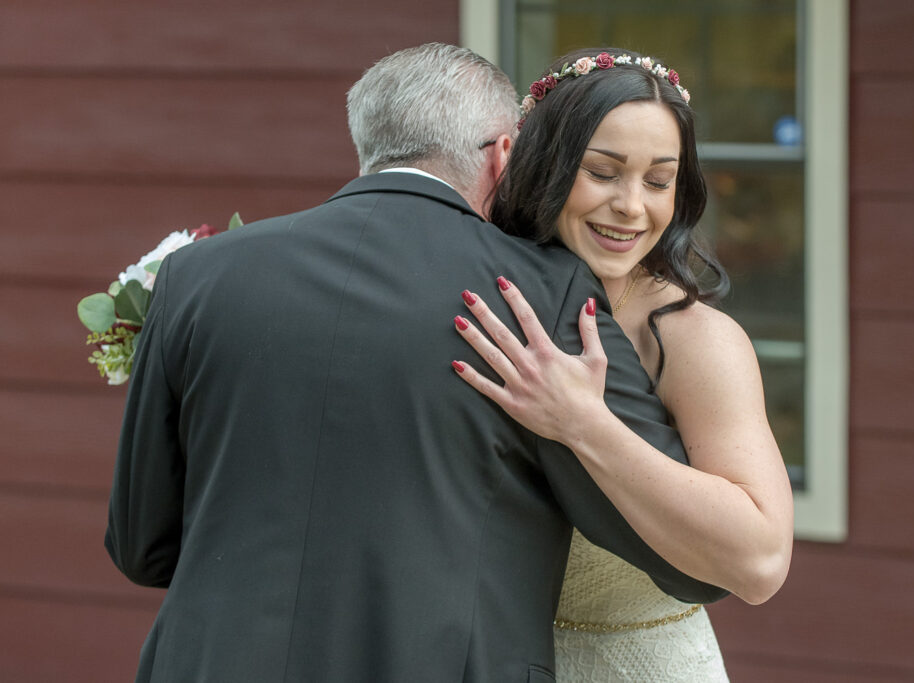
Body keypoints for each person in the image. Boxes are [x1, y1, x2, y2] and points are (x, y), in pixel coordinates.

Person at [103, 43, 727, 683]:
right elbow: (686, 560)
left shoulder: (197, 277)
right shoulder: (538, 296)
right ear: (505, 155)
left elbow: (141, 547)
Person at [452, 49, 794, 680]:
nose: (632, 206)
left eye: (658, 181)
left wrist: (585, 423)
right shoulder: (472, 298)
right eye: (603, 173)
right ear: (542, 166)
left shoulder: (695, 341)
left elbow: (761, 562)